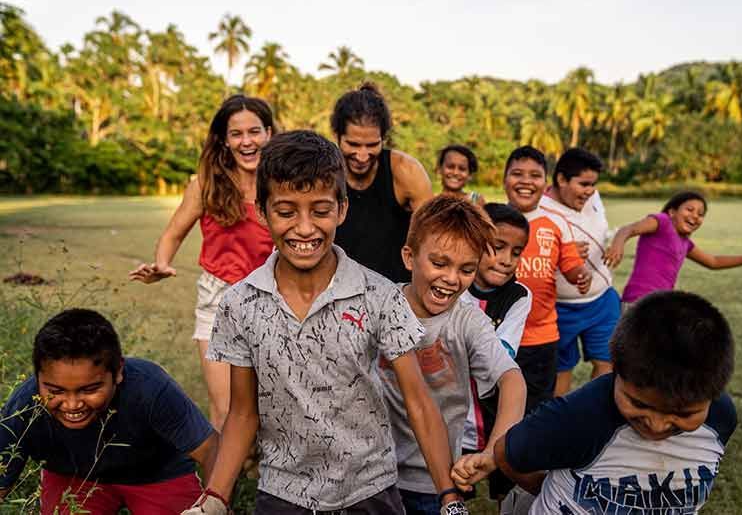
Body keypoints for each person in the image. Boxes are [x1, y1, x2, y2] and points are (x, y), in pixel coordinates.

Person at [184, 131, 459, 515]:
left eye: (320, 210)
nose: (305, 228)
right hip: (284, 492)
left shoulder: (378, 294)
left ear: (342, 210)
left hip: (371, 490)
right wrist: (215, 497)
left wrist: (448, 496)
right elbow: (243, 413)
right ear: (262, 212)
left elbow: (419, 402)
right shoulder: (239, 304)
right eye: (286, 211)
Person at [451, 290, 738, 515]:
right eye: (640, 405)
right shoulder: (581, 415)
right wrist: (553, 491)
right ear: (616, 370)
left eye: (683, 413)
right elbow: (507, 453)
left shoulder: (721, 418)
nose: (657, 423)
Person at [129, 95, 276, 430]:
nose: (247, 141)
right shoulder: (206, 184)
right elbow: (173, 234)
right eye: (237, 134)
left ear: (269, 133)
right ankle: (221, 481)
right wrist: (162, 264)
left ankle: (259, 472)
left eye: (255, 131)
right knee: (225, 409)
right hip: (218, 298)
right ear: (224, 140)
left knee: (269, 406)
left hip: (272, 298)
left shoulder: (281, 183)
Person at [379, 195, 526, 515]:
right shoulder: (378, 304)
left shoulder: (468, 320)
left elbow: (513, 381)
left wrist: (493, 452)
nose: (451, 278)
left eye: (466, 269)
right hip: (373, 474)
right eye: (440, 263)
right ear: (409, 256)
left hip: (436, 481)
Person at [0, 309, 217, 514]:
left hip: (158, 474)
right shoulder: (25, 405)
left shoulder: (150, 387)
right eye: (56, 390)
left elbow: (212, 450)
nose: (72, 404)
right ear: (37, 377)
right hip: (72, 477)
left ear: (119, 371)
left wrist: (215, 504)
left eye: (90, 389)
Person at [503, 146, 591, 413]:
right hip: (497, 334)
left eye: (535, 175)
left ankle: (528, 454)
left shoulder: (556, 222)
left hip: (541, 336)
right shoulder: (491, 218)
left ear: (545, 183)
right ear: (504, 179)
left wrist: (580, 275)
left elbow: (570, 263)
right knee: (497, 403)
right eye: (517, 173)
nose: (526, 181)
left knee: (537, 406)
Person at [459, 202, 532, 505]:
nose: (506, 260)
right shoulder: (452, 285)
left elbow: (498, 357)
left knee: (504, 481)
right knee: (454, 485)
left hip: (494, 411)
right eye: (498, 247)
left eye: (515, 252)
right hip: (451, 416)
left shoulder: (519, 296)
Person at [606, 190, 742, 307]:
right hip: (638, 302)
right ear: (672, 212)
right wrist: (618, 244)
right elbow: (629, 229)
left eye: (701, 214)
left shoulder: (685, 243)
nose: (695, 216)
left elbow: (714, 262)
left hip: (662, 305)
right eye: (689, 209)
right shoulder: (661, 222)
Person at [332, 82, 434, 283]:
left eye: (372, 145)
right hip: (338, 291)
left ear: (383, 139)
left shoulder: (406, 171)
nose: (362, 156)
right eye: (353, 144)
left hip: (396, 293)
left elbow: (432, 236)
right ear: (337, 136)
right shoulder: (324, 172)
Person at [539, 148, 619, 396]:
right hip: (560, 307)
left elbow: (600, 228)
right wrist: (563, 251)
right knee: (561, 369)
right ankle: (560, 425)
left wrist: (615, 241)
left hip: (602, 300)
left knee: (608, 364)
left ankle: (593, 420)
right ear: (561, 179)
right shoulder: (540, 209)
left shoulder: (593, 198)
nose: (590, 191)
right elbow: (528, 256)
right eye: (583, 184)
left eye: (593, 184)